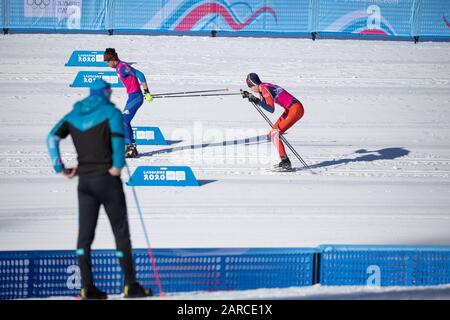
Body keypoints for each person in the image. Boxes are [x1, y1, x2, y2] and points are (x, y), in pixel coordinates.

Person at [46, 79, 152, 299]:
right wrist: (117, 166)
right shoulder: (110, 112)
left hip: (84, 182)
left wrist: (60, 167)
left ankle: (87, 287)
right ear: (105, 92)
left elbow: (51, 139)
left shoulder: (73, 114)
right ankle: (130, 286)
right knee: (120, 233)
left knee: (85, 236)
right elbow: (116, 139)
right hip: (107, 180)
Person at [241, 73, 304, 171]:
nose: (251, 89)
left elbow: (270, 109)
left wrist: (256, 100)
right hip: (291, 109)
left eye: (251, 87)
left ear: (255, 83)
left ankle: (286, 163)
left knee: (275, 134)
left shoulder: (264, 89)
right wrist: (252, 97)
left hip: (295, 109)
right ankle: (284, 161)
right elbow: (264, 103)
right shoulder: (263, 88)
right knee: (272, 134)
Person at [103, 48, 153, 158]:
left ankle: (131, 147)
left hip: (136, 97)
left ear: (113, 59)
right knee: (124, 121)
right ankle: (130, 147)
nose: (107, 64)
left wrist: (146, 92)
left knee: (124, 121)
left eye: (108, 61)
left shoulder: (122, 67)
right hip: (132, 97)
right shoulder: (119, 67)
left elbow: (140, 74)